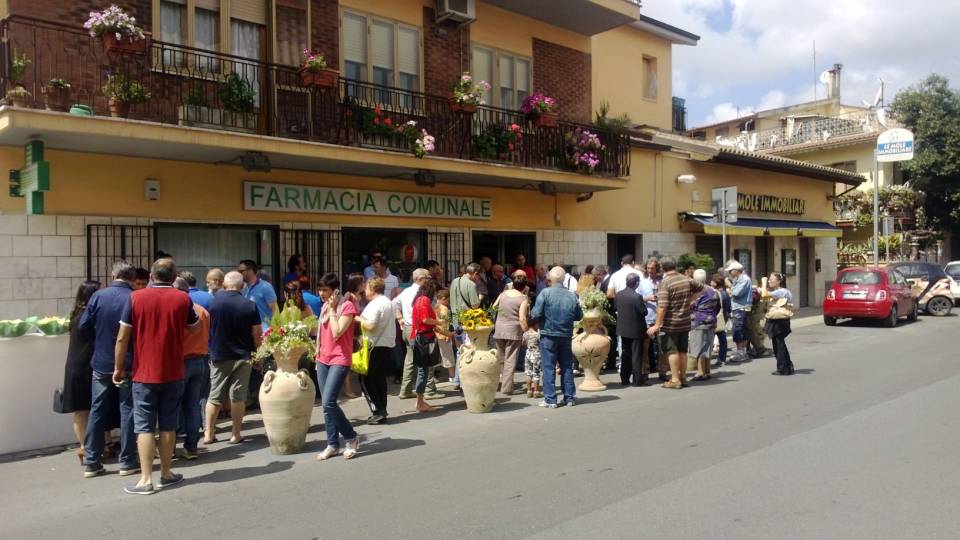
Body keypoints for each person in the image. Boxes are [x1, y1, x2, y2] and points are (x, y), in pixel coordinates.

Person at [114, 258, 200, 495]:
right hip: (173, 371)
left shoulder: (136, 297)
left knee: (144, 427)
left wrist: (118, 367)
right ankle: (166, 473)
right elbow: (194, 326)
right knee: (168, 425)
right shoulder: (183, 298)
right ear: (174, 278)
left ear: (152, 276)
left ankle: (145, 479)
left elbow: (122, 337)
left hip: (144, 373)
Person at [79, 262, 138, 479]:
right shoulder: (135, 298)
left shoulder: (98, 297)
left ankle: (92, 461)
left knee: (97, 410)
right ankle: (127, 460)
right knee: (128, 410)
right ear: (132, 278)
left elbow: (83, 326)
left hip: (102, 362)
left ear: (113, 275)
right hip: (129, 363)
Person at [204, 271, 262, 446]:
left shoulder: (213, 304)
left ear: (223, 285)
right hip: (243, 355)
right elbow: (257, 333)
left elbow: (207, 328)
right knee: (238, 396)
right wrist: (258, 354)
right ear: (242, 286)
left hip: (219, 354)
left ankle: (208, 433)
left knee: (214, 395)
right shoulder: (249, 305)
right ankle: (235, 434)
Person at [315, 273, 361, 460]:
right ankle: (332, 443)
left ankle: (351, 437)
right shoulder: (325, 306)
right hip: (323, 358)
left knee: (329, 401)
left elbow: (337, 332)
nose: (321, 294)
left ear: (334, 290)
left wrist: (334, 310)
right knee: (326, 407)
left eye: (325, 290)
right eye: (319, 289)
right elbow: (321, 331)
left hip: (340, 359)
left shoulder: (346, 306)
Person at [647, 256, 703, 389]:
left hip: (671, 323)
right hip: (685, 320)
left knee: (672, 351)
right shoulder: (686, 279)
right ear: (675, 266)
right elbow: (701, 287)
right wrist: (691, 300)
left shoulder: (666, 282)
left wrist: (657, 324)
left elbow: (662, 306)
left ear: (662, 268)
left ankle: (675, 379)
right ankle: (683, 377)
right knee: (683, 350)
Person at [530, 267, 582, 408]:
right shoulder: (571, 295)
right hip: (565, 334)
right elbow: (578, 315)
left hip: (548, 334)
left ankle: (550, 399)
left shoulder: (545, 293)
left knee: (548, 367)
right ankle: (569, 398)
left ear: (550, 279)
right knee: (566, 367)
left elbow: (535, 314)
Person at [61, 280, 100, 464]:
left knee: (80, 410)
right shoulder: (89, 315)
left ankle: (84, 447)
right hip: (87, 366)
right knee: (95, 408)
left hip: (73, 366)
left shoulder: (75, 314)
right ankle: (95, 447)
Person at [173, 277, 210, 460]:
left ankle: (170, 446)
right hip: (200, 360)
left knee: (173, 405)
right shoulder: (202, 311)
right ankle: (192, 446)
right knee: (193, 404)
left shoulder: (178, 310)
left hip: (181, 361)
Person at [394, 269, 440, 399]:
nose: (430, 280)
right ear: (420, 279)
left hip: (408, 328)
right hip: (421, 330)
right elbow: (427, 316)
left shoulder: (406, 291)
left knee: (410, 359)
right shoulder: (423, 295)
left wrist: (400, 318)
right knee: (426, 360)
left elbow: (394, 303)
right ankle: (429, 390)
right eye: (428, 277)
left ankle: (406, 390)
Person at [357, 277, 396, 425]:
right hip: (386, 344)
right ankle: (382, 409)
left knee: (366, 378)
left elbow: (371, 325)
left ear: (372, 289)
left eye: (366, 288)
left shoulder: (375, 304)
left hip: (374, 344)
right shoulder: (388, 302)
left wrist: (358, 319)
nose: (364, 291)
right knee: (379, 378)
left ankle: (378, 410)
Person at [493, 274, 529, 395]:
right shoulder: (523, 298)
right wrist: (527, 331)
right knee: (511, 360)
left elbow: (493, 307)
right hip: (513, 331)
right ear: (524, 287)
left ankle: (504, 382)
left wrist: (502, 315)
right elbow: (522, 318)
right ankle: (507, 388)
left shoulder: (503, 294)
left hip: (499, 329)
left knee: (502, 358)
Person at [410, 279, 442, 413]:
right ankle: (420, 402)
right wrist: (439, 322)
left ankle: (420, 400)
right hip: (424, 338)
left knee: (423, 370)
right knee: (423, 371)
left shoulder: (419, 299)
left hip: (421, 336)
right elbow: (425, 320)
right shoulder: (424, 300)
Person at [449, 263, 482, 390]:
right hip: (467, 320)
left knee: (459, 350)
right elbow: (474, 305)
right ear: (475, 273)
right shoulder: (471, 285)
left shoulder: (454, 281)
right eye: (478, 276)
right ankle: (463, 380)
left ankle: (457, 380)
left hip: (455, 319)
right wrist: (480, 299)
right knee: (468, 349)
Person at [614, 273, 648, 386]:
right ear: (637, 283)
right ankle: (637, 380)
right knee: (636, 355)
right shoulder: (637, 296)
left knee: (626, 354)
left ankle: (624, 378)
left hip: (623, 329)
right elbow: (644, 312)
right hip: (636, 330)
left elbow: (615, 308)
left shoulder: (619, 294)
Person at [688, 269, 720, 381]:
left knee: (699, 347)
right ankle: (707, 371)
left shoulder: (697, 292)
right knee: (708, 346)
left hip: (699, 321)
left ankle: (700, 372)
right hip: (711, 320)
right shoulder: (713, 290)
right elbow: (718, 307)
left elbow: (690, 305)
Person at [764, 272, 795, 376]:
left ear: (779, 281)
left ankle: (783, 368)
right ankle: (787, 366)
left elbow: (764, 294)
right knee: (780, 344)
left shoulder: (782, 291)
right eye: (768, 279)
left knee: (779, 345)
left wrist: (763, 282)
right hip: (781, 321)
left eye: (771, 279)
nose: (769, 281)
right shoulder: (782, 291)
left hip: (779, 322)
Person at [725, 260, 753, 363]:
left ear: (736, 270)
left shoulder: (744, 279)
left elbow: (737, 293)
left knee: (738, 330)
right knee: (742, 329)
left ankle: (741, 352)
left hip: (740, 307)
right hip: (742, 307)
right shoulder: (740, 279)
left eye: (730, 271)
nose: (729, 273)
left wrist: (729, 288)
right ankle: (743, 352)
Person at [238, 259, 278, 331]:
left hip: (264, 330)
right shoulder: (243, 288)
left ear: (250, 270)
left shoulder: (265, 287)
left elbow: (275, 310)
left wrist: (275, 330)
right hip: (248, 330)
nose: (239, 274)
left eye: (241, 271)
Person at [640, 258, 662, 377]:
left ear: (657, 269)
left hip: (661, 318)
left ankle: (662, 371)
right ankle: (645, 371)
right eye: (648, 268)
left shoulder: (662, 281)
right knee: (645, 347)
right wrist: (647, 298)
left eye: (652, 268)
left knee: (662, 346)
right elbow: (637, 298)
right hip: (647, 317)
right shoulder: (642, 282)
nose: (650, 270)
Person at [435, 289, 456, 382]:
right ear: (443, 299)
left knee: (440, 355)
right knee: (448, 355)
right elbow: (445, 324)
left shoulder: (435, 306)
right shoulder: (444, 309)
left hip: (436, 334)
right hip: (444, 335)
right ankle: (452, 376)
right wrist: (447, 335)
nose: (448, 302)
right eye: (448, 300)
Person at [522, 320, 542, 398]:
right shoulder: (537, 334)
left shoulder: (525, 334)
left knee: (528, 373)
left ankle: (529, 390)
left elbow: (523, 344)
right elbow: (541, 343)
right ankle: (536, 391)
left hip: (528, 354)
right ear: (535, 324)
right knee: (536, 373)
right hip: (536, 355)